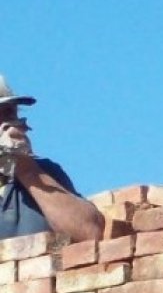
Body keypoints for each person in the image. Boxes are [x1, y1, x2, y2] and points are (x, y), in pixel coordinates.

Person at [0, 74, 103, 241]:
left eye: (9, 114)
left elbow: (90, 233)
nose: (6, 126)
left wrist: (27, 171)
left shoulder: (43, 171)